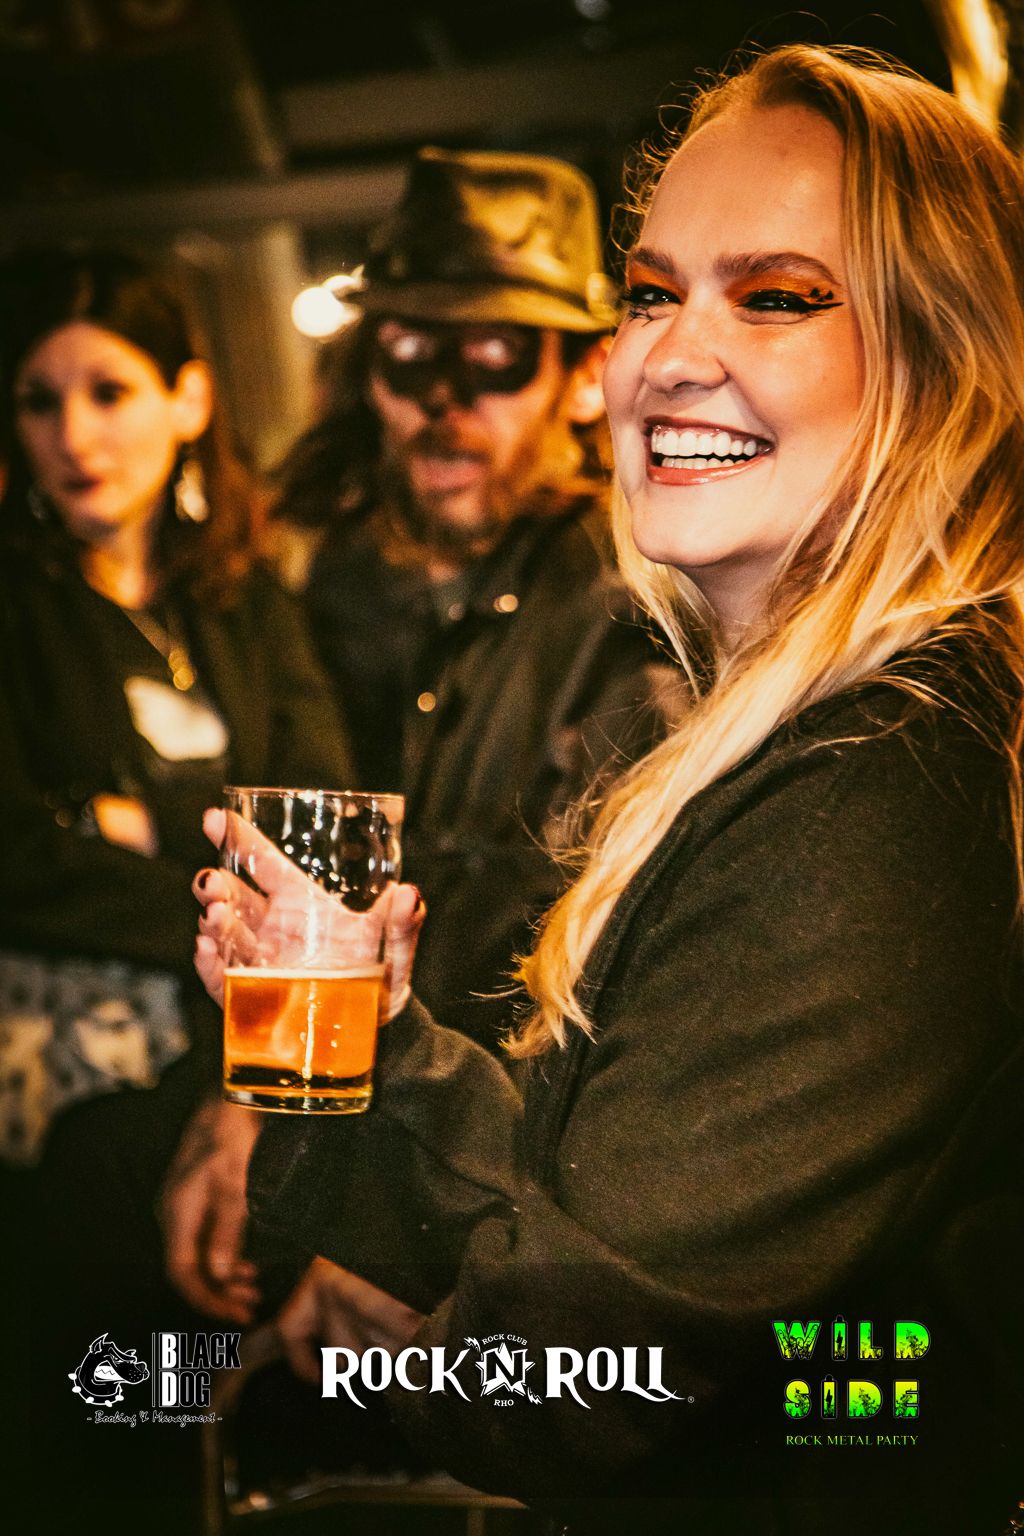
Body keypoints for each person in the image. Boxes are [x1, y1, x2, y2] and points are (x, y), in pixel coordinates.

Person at [194, 45, 1023, 1536]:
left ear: (942, 359)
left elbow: (587, 1377)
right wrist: (370, 1048)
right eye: (652, 293)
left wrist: (348, 1366)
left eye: (778, 296)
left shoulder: (888, 775)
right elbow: (607, 1204)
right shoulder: (801, 733)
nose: (672, 354)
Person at [0, 250, 353, 1529]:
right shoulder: (18, 602)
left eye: (110, 390)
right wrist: (226, 892)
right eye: (39, 400)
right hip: (56, 1111)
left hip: (226, 1075)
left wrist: (121, 827)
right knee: (74, 1444)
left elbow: (323, 837)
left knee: (173, 1425)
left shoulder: (245, 602)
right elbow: (16, 858)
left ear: (190, 399)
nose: (74, 435)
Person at [272, 146, 675, 1051]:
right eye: (409, 350)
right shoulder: (337, 587)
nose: (444, 402)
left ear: (585, 377)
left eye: (497, 353)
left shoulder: (627, 609)